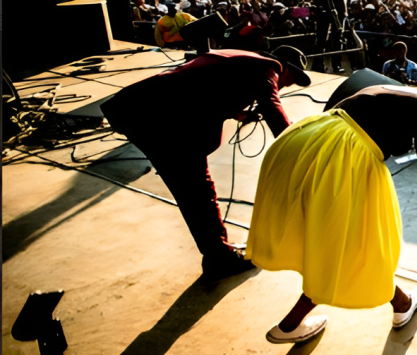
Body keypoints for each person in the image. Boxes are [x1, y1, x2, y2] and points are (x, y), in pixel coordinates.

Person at [247, 68, 417, 344]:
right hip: (343, 158)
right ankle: (288, 326)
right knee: (351, 245)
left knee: (344, 240)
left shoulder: (379, 88)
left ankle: (401, 302)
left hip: (303, 140)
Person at [99, 46, 312, 279]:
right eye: (289, 82)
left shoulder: (241, 59)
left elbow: (201, 88)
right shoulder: (268, 68)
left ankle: (217, 254)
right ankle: (220, 259)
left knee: (191, 190)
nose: (284, 87)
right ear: (285, 68)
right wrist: (302, 147)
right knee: (197, 191)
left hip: (138, 109)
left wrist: (236, 111)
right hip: (158, 118)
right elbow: (274, 110)